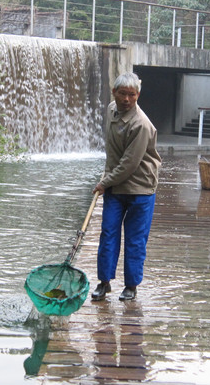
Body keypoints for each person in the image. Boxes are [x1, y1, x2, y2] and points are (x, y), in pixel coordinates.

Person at [91, 72, 161, 301]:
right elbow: (113, 153)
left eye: (132, 95)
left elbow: (129, 164)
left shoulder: (140, 124)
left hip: (140, 188)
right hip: (115, 185)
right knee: (108, 233)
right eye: (123, 94)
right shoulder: (111, 109)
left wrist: (104, 182)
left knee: (135, 238)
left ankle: (131, 285)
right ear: (114, 93)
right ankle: (104, 282)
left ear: (138, 95)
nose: (127, 100)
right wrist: (107, 177)